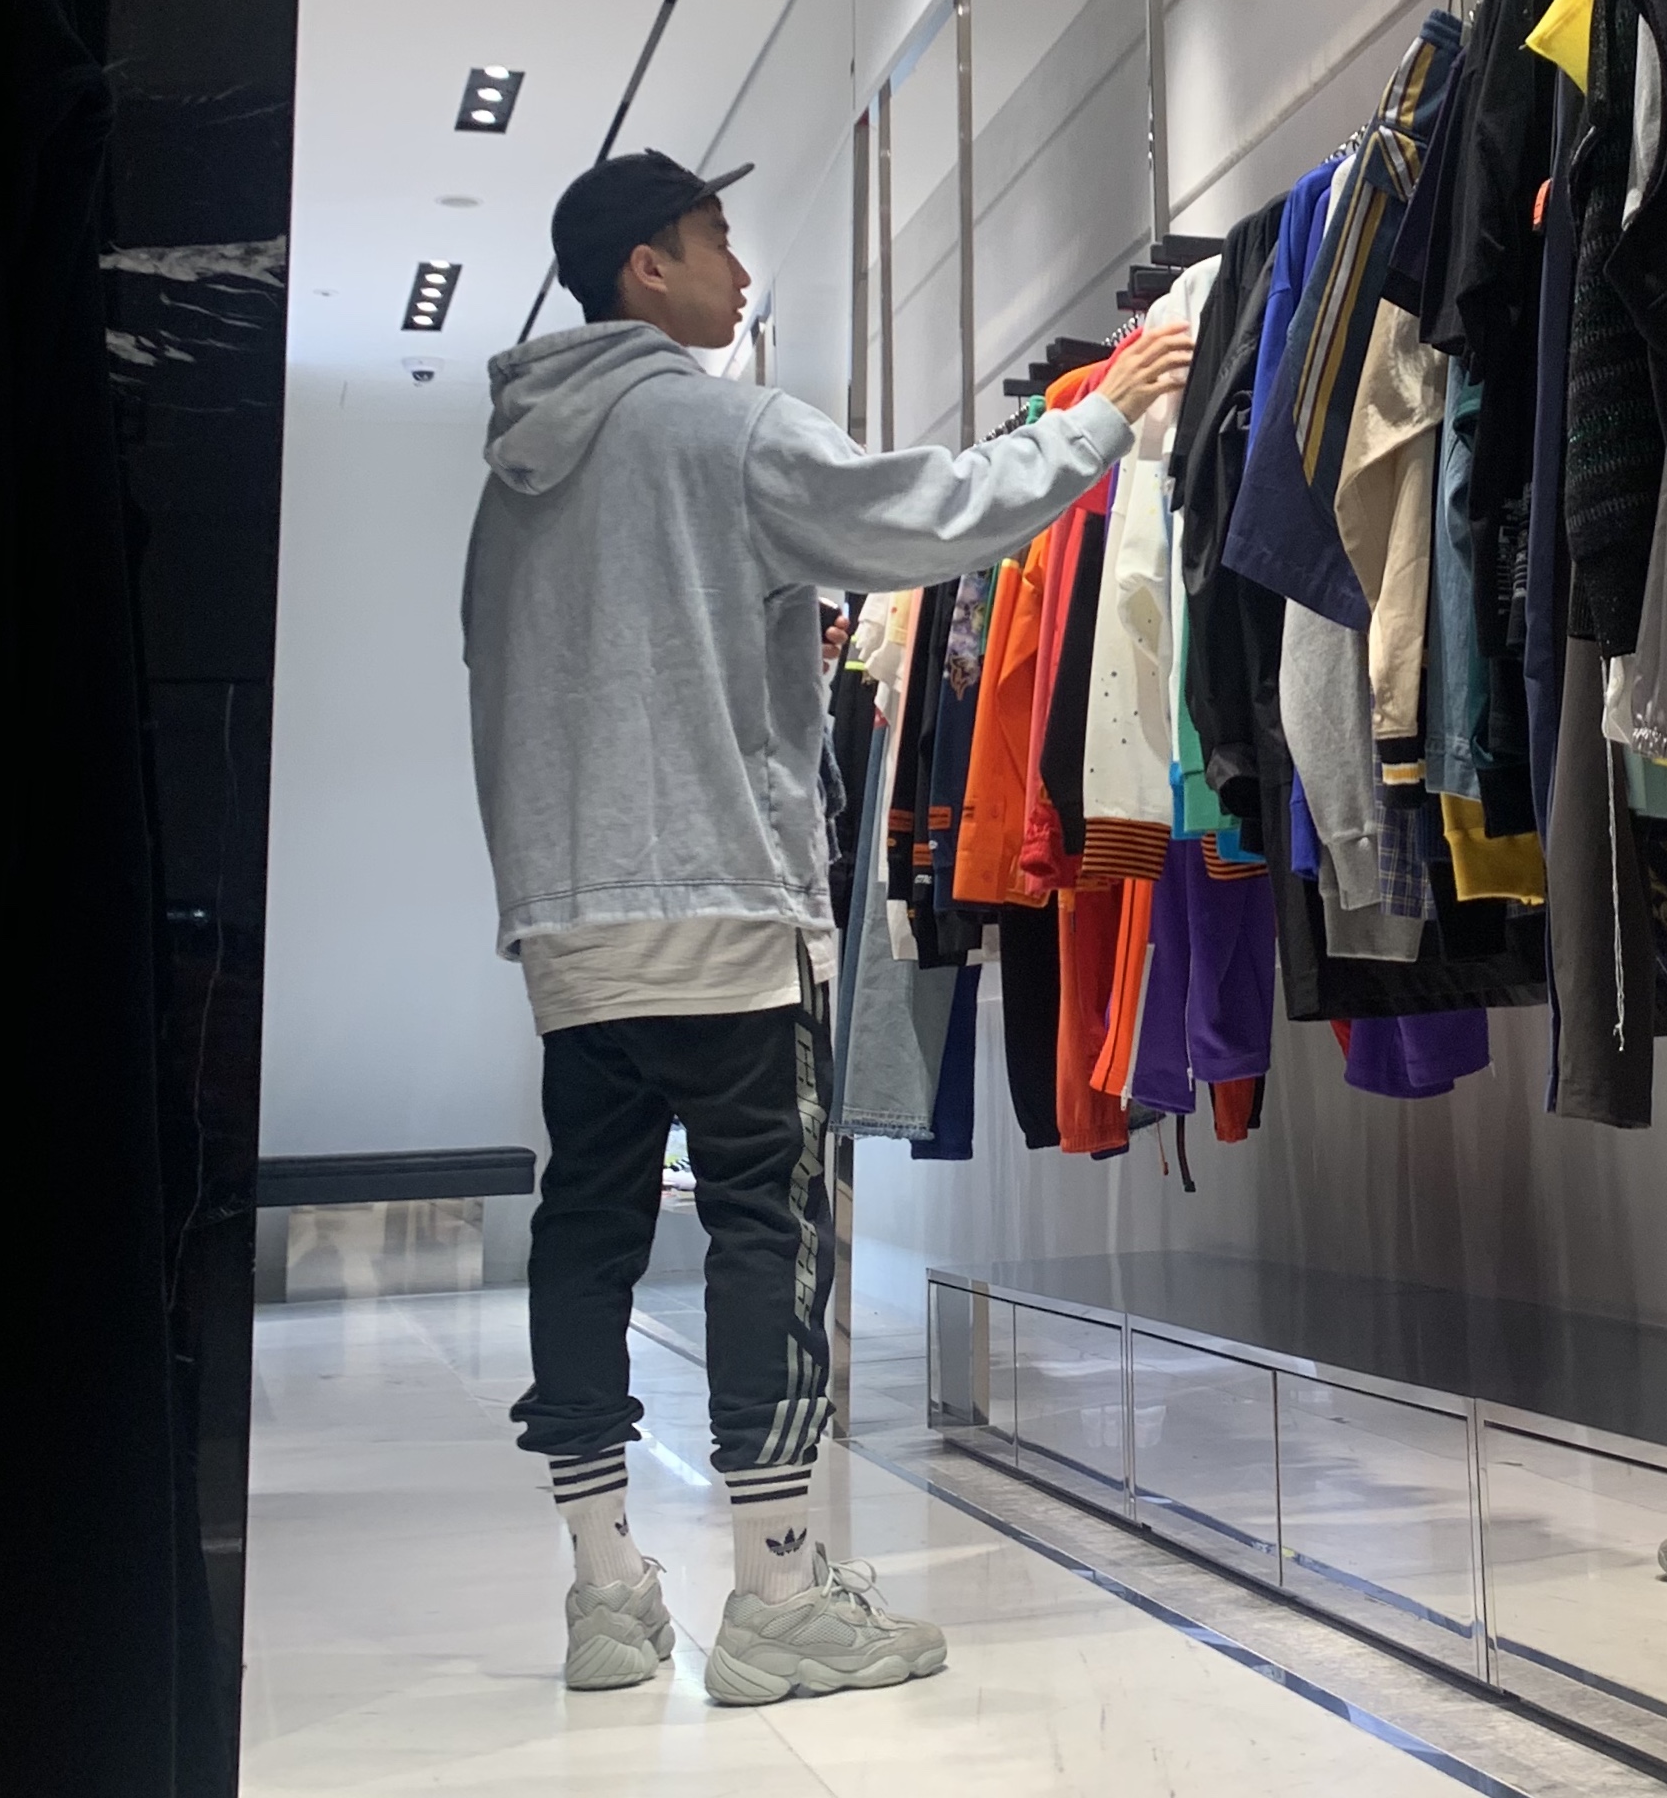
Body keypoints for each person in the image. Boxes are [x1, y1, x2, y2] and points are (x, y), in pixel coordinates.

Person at [462, 148, 1191, 1703]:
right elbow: (930, 514)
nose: (739, 271)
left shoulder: (513, 476)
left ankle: (604, 1590)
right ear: (646, 267)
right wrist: (1104, 417)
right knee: (766, 1229)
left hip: (573, 928)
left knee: (586, 1230)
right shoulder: (719, 428)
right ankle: (780, 1594)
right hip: (723, 906)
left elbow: (495, 685)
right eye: (715, 239)